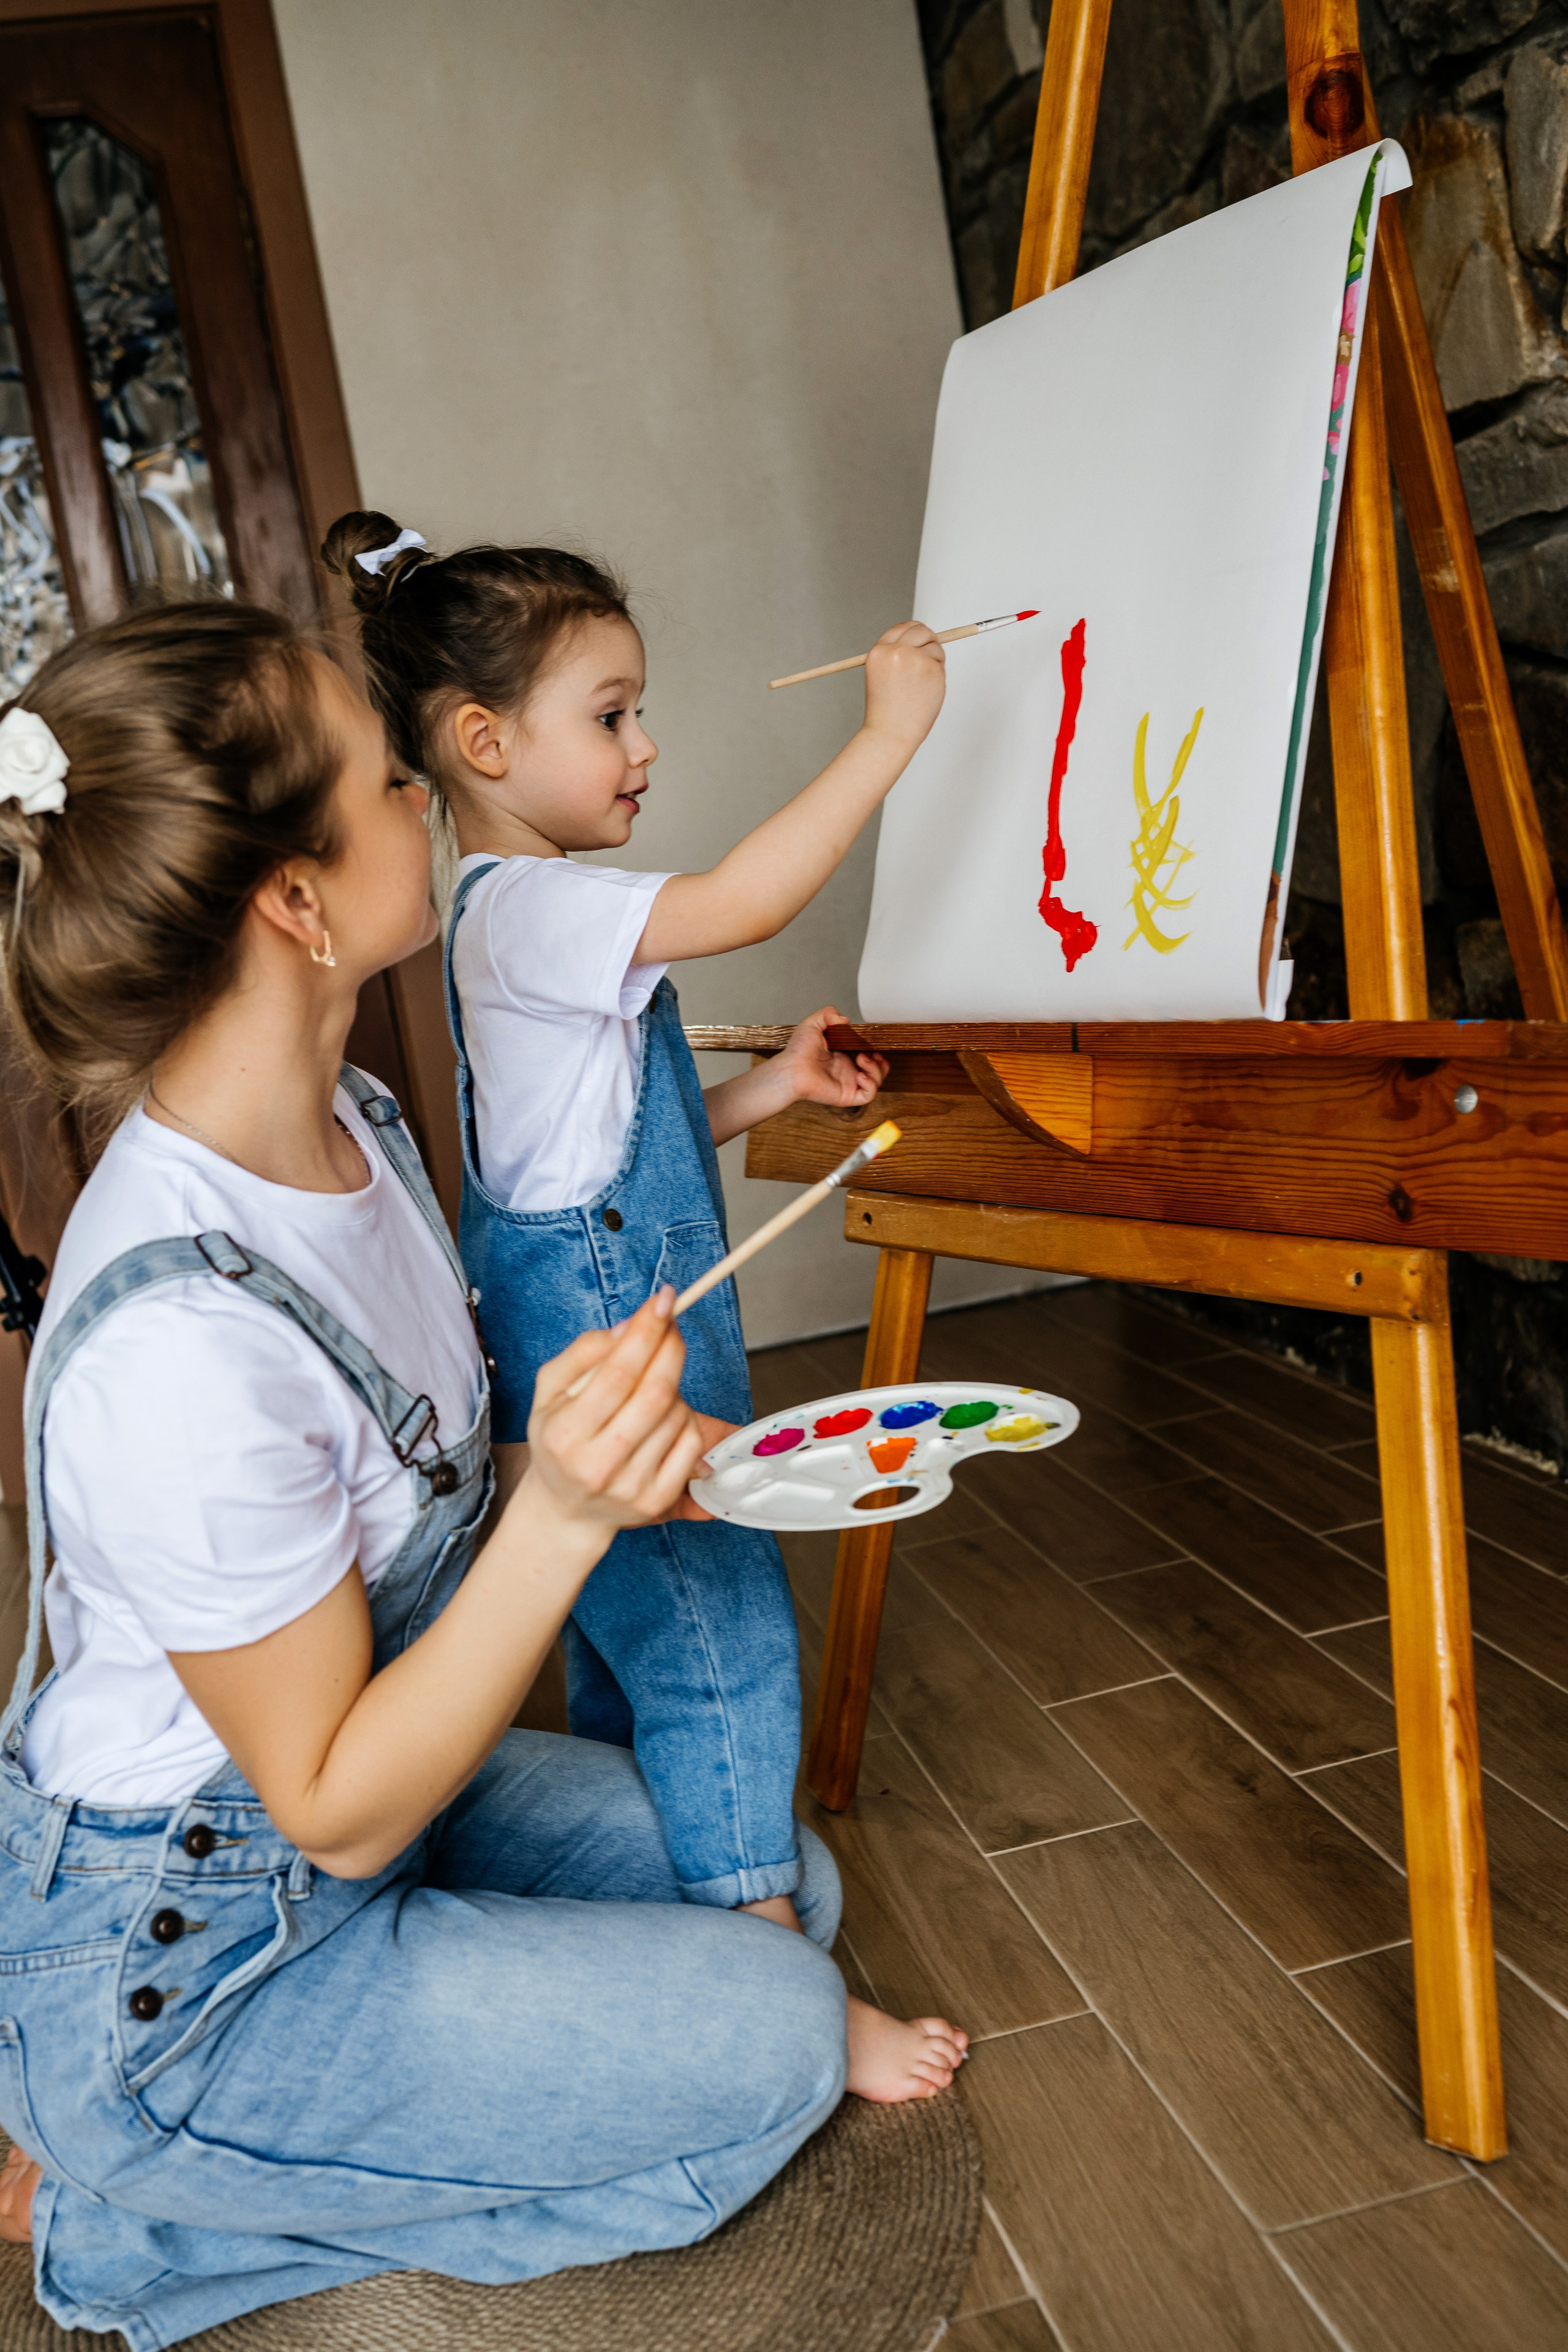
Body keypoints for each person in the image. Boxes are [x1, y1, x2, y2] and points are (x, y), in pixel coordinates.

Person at [0, 603, 967, 2347]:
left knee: (781, 1885)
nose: (423, 800)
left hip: (360, 1831)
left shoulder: (356, 1133)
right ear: (297, 905)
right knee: (774, 2037)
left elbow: (442, 1472)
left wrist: (654, 1461)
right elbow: (335, 1802)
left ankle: (300, 2132)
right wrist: (567, 1515)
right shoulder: (177, 1344)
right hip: (206, 1946)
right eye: (387, 778)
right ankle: (123, 2208)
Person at [322, 515, 947, 1958]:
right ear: (483, 743)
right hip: (617, 1343)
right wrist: (887, 735)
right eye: (609, 716)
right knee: (716, 1629)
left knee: (638, 1632)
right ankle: (765, 1951)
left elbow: (604, 1150)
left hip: (594, 1316)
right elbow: (742, 901)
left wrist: (769, 1092)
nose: (644, 746)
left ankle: (666, 1898)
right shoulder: (534, 911)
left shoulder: (509, 916)